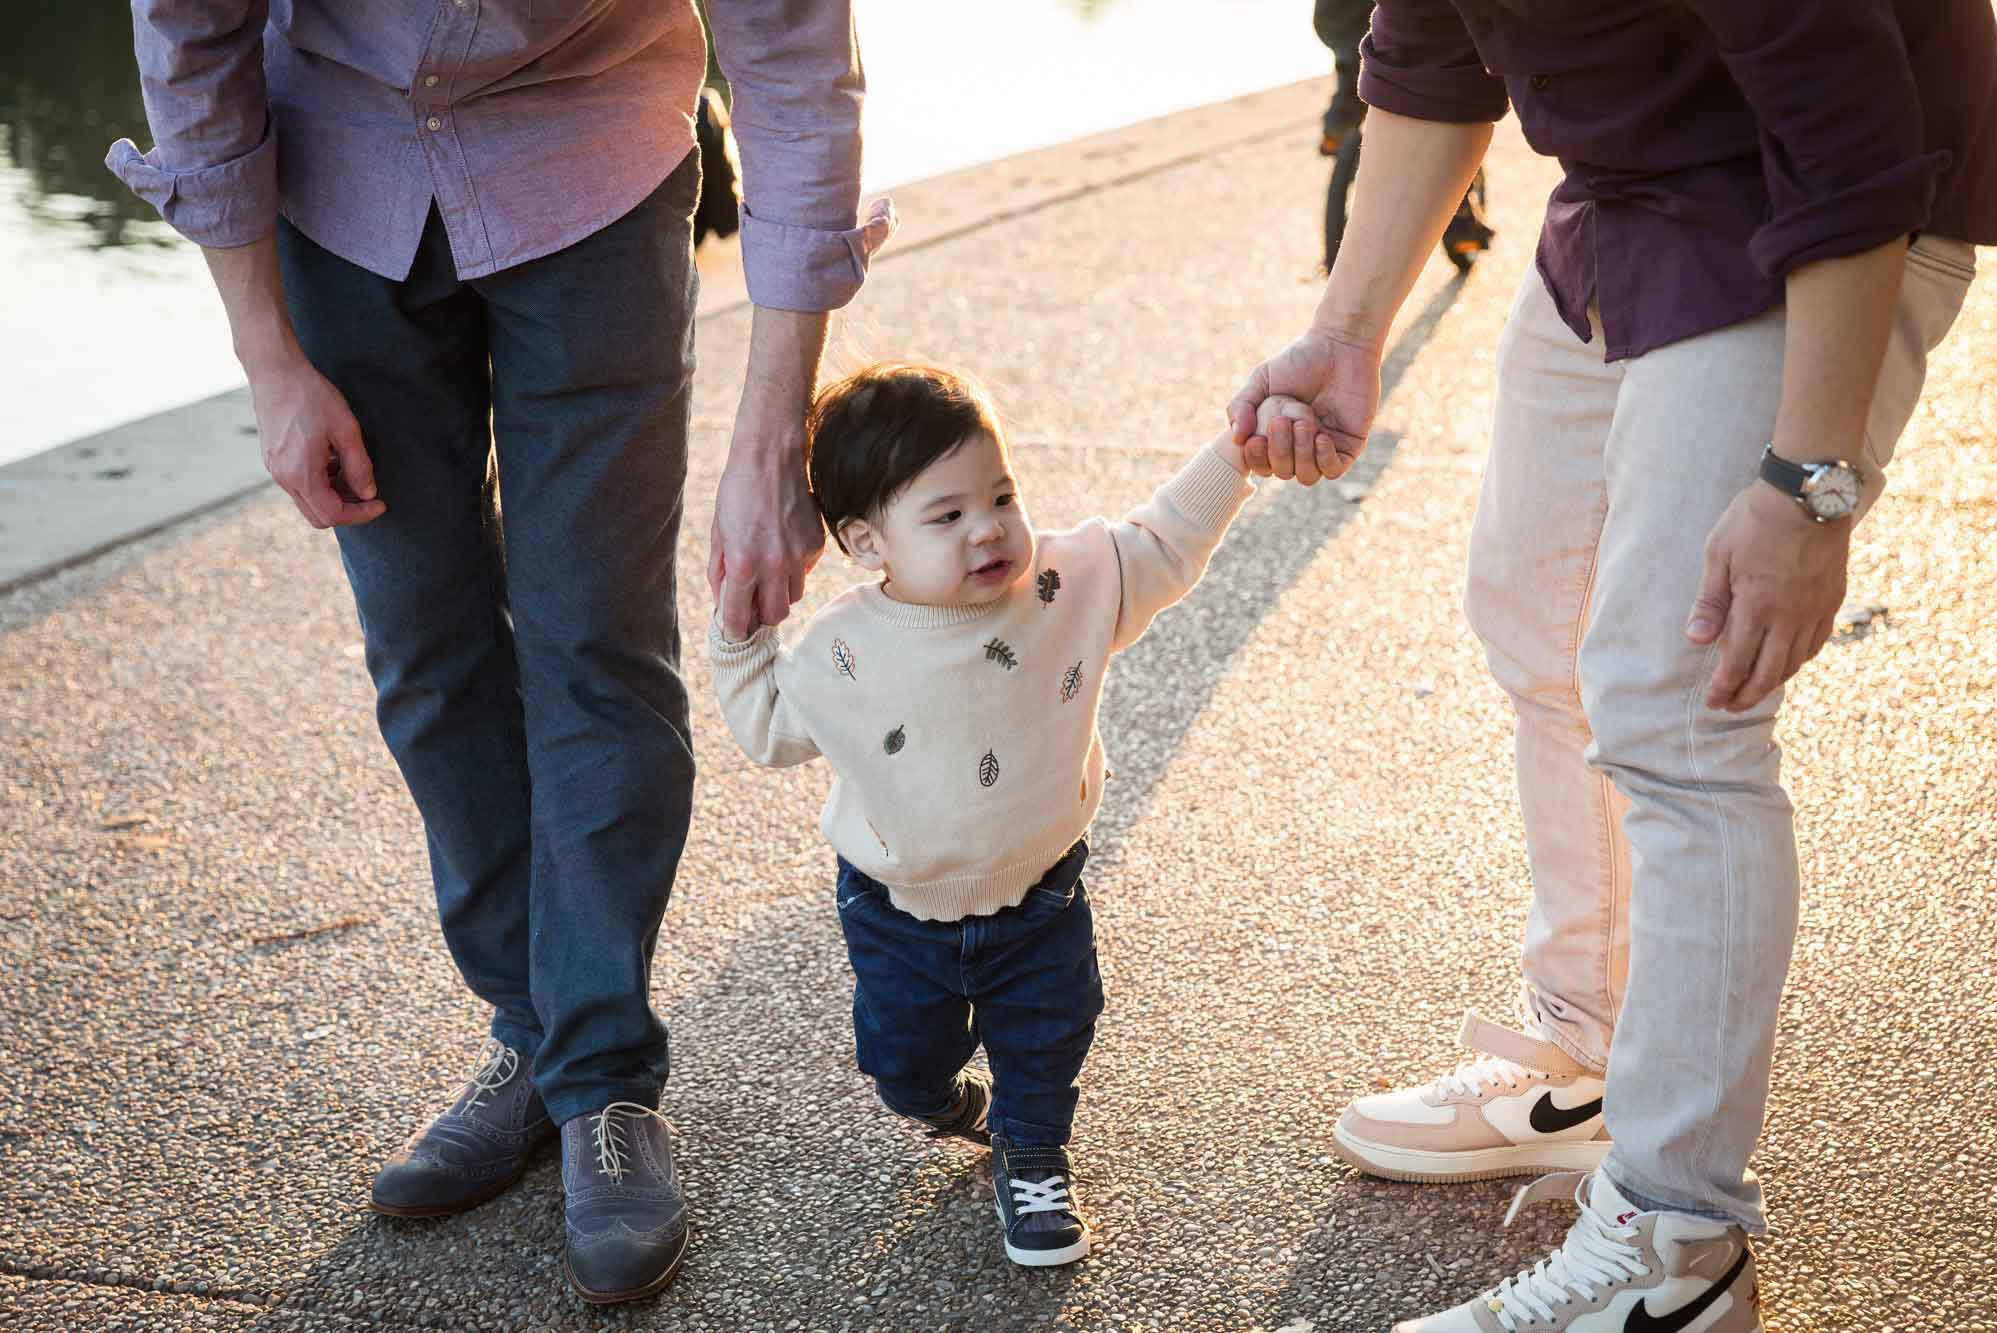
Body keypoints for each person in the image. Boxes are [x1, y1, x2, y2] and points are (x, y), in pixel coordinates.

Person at [107, 0, 892, 1305]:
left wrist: (776, 435)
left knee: (595, 642)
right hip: (336, 185)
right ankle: (530, 1031)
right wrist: (268, 357)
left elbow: (794, 48)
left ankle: (596, 1076)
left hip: (594, 162)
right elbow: (192, 36)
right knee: (425, 641)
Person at [1229, 1, 1997, 1328]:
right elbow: (1425, 48)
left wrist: (1808, 487)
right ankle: (1588, 1051)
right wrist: (1348, 333)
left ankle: (1678, 1241)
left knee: (1677, 701)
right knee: (1536, 609)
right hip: (1629, 195)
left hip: (1813, 210)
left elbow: (1848, 132)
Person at [708, 362, 1304, 1267]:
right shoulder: (845, 650)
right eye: (945, 516)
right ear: (868, 543)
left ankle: (1033, 1150)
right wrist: (736, 630)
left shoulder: (1063, 586)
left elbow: (1165, 540)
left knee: (1050, 1030)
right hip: (897, 911)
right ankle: (940, 1100)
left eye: (1002, 495)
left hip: (1041, 894)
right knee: (901, 1063)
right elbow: (766, 728)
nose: (988, 528)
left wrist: (1236, 457)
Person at [1313, 0, 1491, 275]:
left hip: (1338, 16)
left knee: (1352, 56)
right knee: (1444, 101)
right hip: (1404, 19)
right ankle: (1461, 222)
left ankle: (1339, 121)